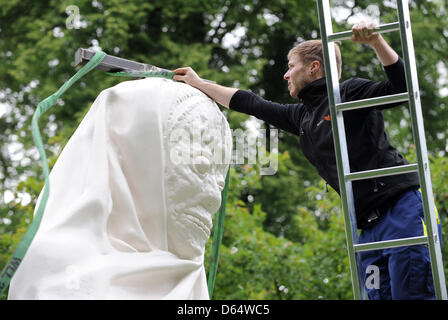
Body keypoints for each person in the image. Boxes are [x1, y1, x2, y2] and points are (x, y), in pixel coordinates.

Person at [173, 21, 442, 300]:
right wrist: (198, 83)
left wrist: (376, 42)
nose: (286, 74)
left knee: (414, 294)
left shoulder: (348, 93)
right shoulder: (303, 117)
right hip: (366, 226)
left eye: (291, 66)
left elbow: (402, 87)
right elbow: (252, 103)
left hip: (401, 208)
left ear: (313, 68)